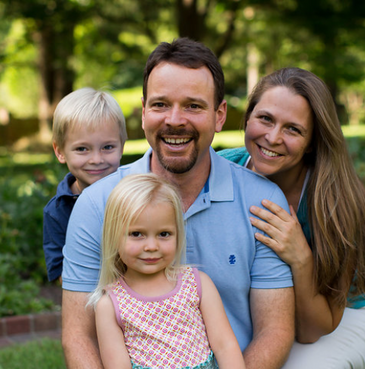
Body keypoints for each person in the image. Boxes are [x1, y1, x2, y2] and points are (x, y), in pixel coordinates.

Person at [61, 38, 295, 369]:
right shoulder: (98, 203)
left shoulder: (262, 201)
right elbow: (78, 337)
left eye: (193, 106)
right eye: (160, 105)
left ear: (219, 115)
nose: (174, 120)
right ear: (143, 114)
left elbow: (275, 330)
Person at [219, 67, 365, 368]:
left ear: (312, 140)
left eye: (293, 129)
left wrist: (301, 257)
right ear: (248, 117)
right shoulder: (220, 171)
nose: (272, 137)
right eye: (265, 119)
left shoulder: (335, 200)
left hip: (341, 317)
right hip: (262, 314)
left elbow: (313, 330)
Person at [87, 173, 245, 369]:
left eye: (164, 234)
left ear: (178, 233)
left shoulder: (197, 283)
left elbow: (225, 345)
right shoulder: (110, 304)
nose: (152, 246)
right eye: (137, 234)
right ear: (114, 236)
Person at [43, 87, 127, 282]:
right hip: (90, 299)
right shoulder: (58, 210)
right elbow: (59, 273)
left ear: (122, 146)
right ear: (60, 151)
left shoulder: (137, 193)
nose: (96, 159)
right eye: (82, 149)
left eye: (108, 147)